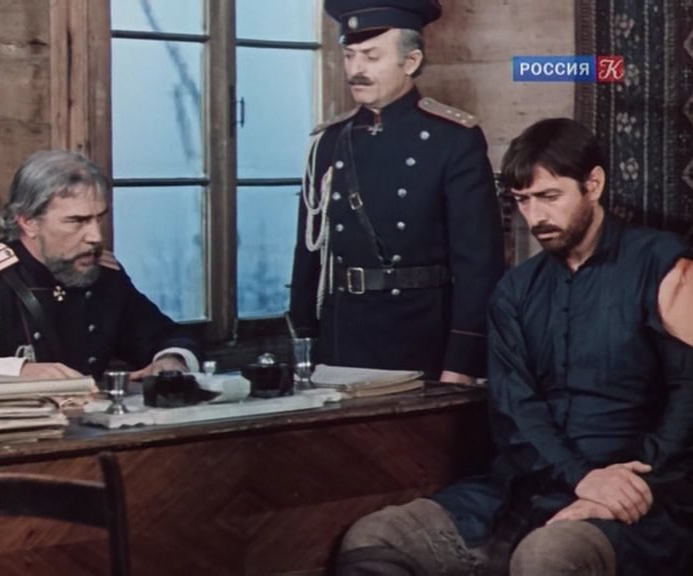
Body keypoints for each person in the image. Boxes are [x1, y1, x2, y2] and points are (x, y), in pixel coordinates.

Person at [335, 118, 693, 575]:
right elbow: (514, 410)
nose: (535, 216)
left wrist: (622, 489)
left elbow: (688, 406)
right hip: (524, 487)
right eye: (522, 200)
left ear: (594, 184)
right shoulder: (515, 291)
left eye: (549, 196)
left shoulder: (666, 267)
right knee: (375, 537)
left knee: (547, 557)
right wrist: (580, 478)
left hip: (641, 493)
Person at [289, 0, 504, 382]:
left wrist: (462, 360)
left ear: (411, 61)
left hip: (421, 340)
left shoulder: (453, 140)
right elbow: (308, 255)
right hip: (341, 344)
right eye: (350, 56)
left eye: (371, 57)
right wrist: (303, 344)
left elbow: (479, 264)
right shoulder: (328, 142)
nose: (356, 70)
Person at [0, 150, 200, 380]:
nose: (96, 236)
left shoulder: (104, 277)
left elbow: (167, 336)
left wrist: (171, 361)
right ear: (28, 222)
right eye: (77, 221)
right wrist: (17, 371)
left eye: (98, 218)